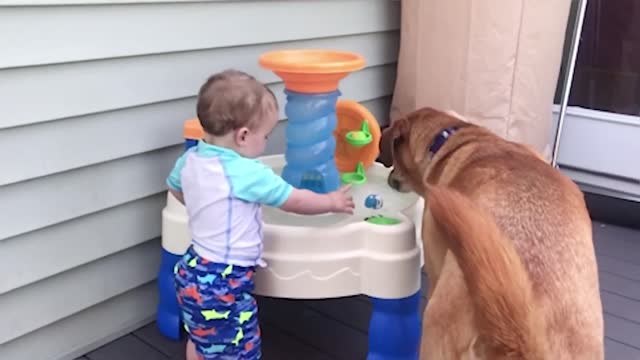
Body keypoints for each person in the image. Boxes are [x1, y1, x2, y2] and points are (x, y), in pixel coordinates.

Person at [166, 69, 355, 360]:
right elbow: (295, 201)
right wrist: (330, 201)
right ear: (243, 136)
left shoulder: (190, 159)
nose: (266, 141)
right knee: (240, 350)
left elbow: (176, 189)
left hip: (192, 269)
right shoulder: (247, 172)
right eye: (265, 135)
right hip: (224, 282)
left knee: (202, 340)